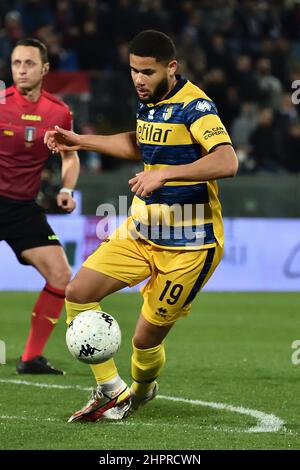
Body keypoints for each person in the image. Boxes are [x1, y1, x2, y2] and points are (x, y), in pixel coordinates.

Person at [45, 30, 238, 420]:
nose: (138, 79)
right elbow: (139, 143)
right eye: (133, 71)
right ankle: (110, 390)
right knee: (79, 292)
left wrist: (166, 174)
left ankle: (142, 389)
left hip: (190, 245)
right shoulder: (148, 102)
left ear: (171, 67)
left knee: (143, 341)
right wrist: (80, 141)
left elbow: (226, 160)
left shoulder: (195, 106)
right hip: (141, 231)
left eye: (147, 72)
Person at [0, 38, 80, 374]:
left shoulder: (58, 112)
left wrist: (66, 188)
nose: (21, 70)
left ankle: (31, 357)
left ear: (45, 69)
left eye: (29, 63)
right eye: (16, 63)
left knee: (62, 276)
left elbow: (70, 156)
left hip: (21, 209)